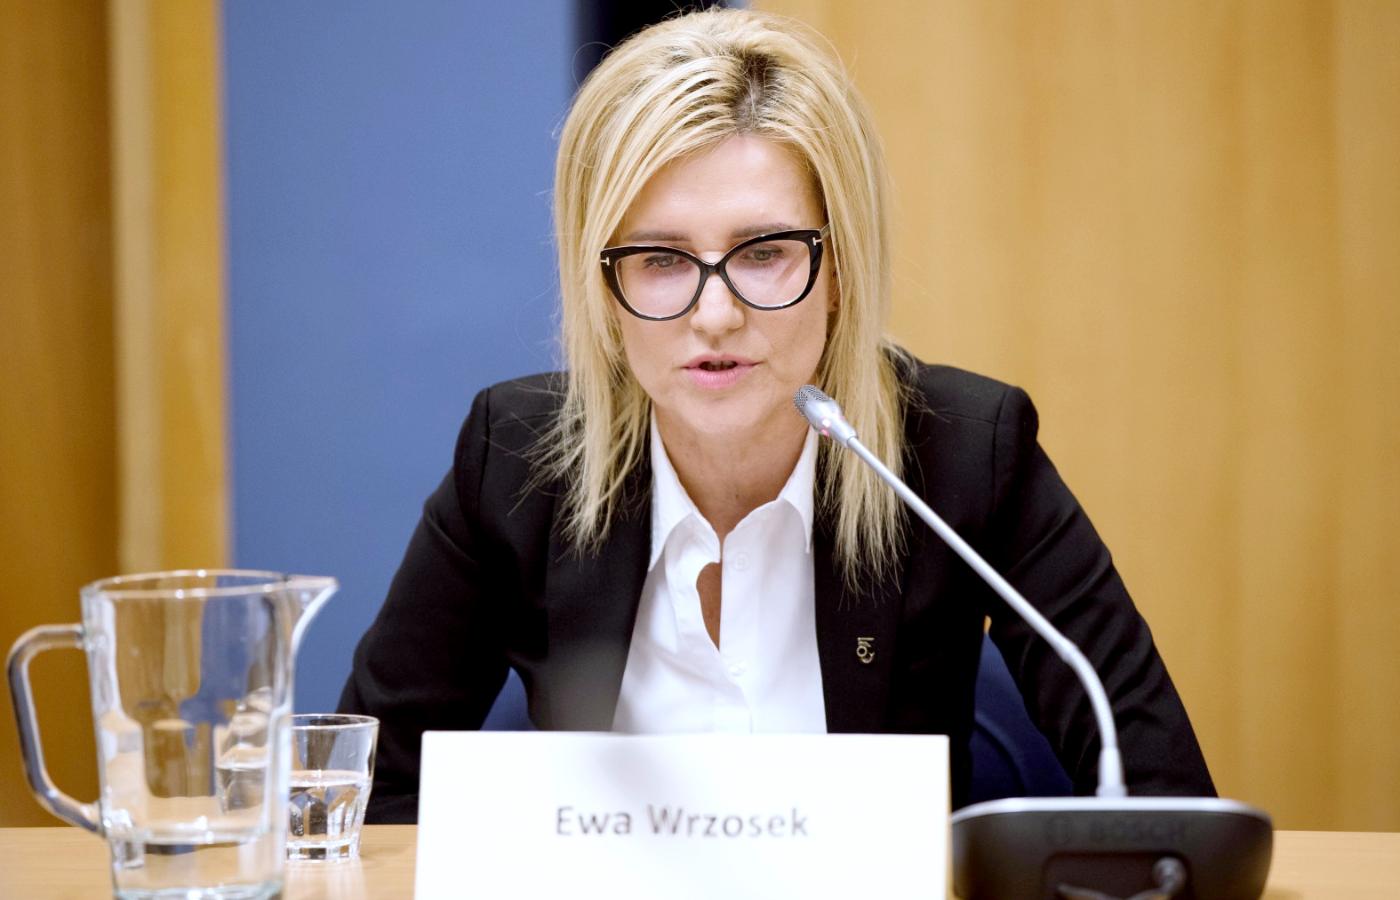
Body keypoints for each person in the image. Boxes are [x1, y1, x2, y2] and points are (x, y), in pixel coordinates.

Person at [337, 7, 1214, 824]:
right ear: (602, 287)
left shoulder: (964, 452)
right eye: (660, 260)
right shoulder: (517, 459)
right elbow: (366, 801)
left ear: (840, 269)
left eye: (763, 253)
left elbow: (1163, 799)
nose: (714, 315)